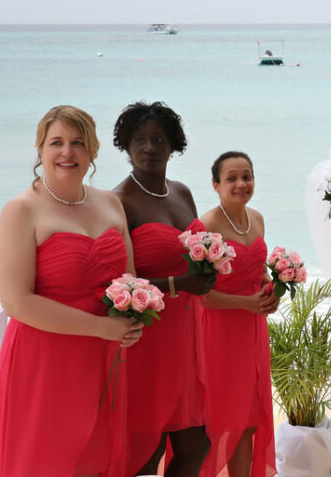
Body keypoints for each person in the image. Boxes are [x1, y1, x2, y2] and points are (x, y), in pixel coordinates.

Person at [0, 105, 144, 477]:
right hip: (44, 360)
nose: (67, 152)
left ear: (93, 151)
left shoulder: (110, 203)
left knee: (96, 458)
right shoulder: (20, 210)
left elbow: (130, 281)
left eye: (78, 143)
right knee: (46, 461)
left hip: (105, 360)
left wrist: (134, 318)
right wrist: (103, 328)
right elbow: (16, 302)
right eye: (56, 142)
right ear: (40, 149)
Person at [111, 101, 215, 476]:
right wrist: (179, 284)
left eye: (158, 139)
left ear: (174, 145)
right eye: (139, 139)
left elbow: (197, 250)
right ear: (126, 146)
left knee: (197, 443)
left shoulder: (182, 192)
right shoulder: (119, 201)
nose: (149, 147)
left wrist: (209, 272)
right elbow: (116, 282)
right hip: (147, 339)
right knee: (147, 449)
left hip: (187, 336)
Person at [197, 151, 279, 477]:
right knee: (217, 418)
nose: (241, 184)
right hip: (218, 334)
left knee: (249, 418)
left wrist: (271, 289)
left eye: (247, 176)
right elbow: (201, 295)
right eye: (231, 178)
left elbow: (257, 272)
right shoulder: (206, 226)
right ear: (216, 185)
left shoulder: (256, 218)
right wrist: (247, 304)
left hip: (253, 333)